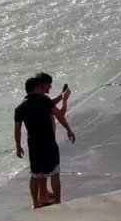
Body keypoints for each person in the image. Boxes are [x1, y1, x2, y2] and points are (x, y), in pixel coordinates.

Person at [14, 73, 76, 209]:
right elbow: (59, 115)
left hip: (33, 144)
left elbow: (17, 130)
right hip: (48, 142)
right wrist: (68, 129)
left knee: (35, 175)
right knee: (54, 172)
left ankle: (35, 204)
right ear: (37, 87)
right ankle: (58, 202)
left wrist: (18, 146)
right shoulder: (44, 101)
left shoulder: (20, 108)